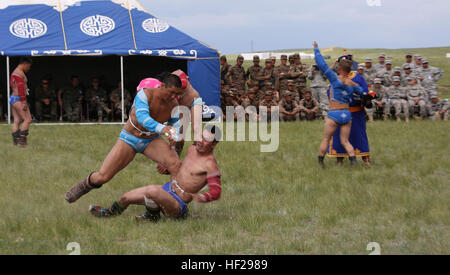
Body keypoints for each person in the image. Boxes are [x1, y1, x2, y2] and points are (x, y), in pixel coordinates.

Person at [64, 73, 185, 204]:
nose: (173, 96)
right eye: (171, 92)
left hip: (151, 140)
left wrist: (173, 138)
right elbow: (142, 118)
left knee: (175, 164)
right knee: (103, 177)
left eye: (176, 94)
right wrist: (162, 129)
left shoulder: (174, 104)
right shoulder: (145, 94)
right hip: (130, 138)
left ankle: (177, 203)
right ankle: (85, 185)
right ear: (162, 86)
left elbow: (175, 127)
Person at [89, 125, 222, 221]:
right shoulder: (192, 149)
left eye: (206, 140)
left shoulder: (210, 165)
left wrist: (201, 197)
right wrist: (167, 170)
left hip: (178, 203)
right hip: (167, 189)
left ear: (214, 144)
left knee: (151, 192)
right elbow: (187, 171)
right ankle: (110, 213)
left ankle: (153, 216)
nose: (200, 141)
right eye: (201, 137)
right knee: (125, 198)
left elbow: (216, 192)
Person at [313, 41, 366, 168]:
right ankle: (353, 161)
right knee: (345, 141)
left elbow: (321, 64)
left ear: (340, 69)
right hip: (346, 115)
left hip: (334, 114)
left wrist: (316, 49)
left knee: (326, 139)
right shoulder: (352, 84)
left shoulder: (334, 79)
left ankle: (321, 162)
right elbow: (363, 93)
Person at [10, 57, 33, 147]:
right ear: (25, 64)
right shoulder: (19, 74)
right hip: (18, 99)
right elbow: (21, 88)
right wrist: (23, 102)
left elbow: (12, 85)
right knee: (28, 119)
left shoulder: (14, 72)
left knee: (17, 120)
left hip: (13, 98)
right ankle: (22, 142)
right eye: (29, 66)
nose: (29, 68)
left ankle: (16, 142)